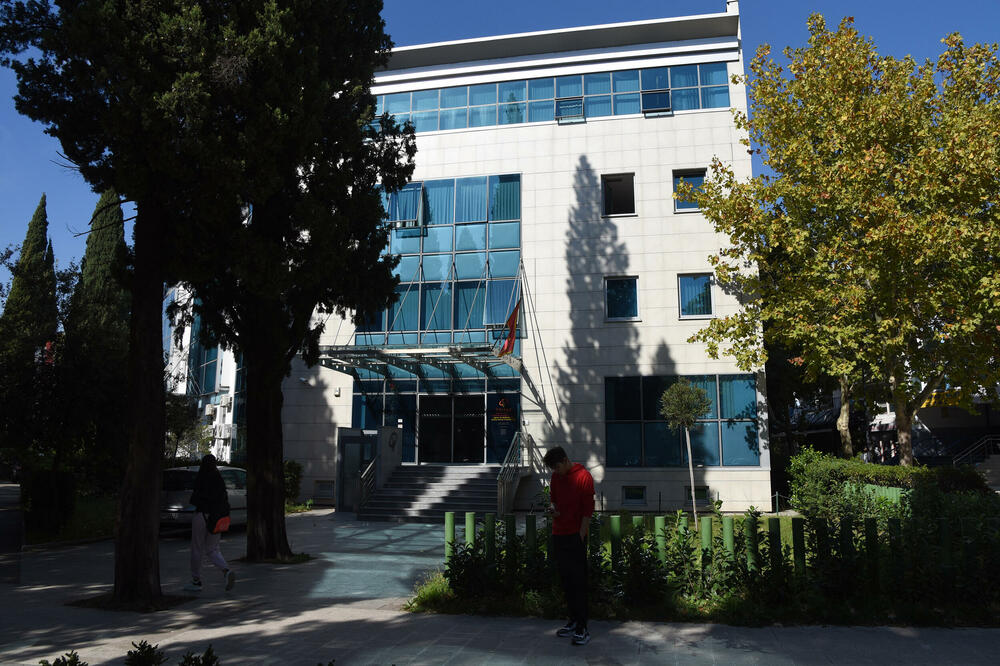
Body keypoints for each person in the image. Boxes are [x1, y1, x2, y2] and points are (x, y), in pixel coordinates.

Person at [543, 446, 594, 646]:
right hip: (559, 534)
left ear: (565, 460)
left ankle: (582, 627)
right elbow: (553, 500)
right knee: (566, 580)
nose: (556, 472)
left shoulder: (583, 477)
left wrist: (581, 535)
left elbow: (588, 511)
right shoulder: (556, 478)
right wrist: (552, 509)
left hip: (575, 535)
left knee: (578, 581)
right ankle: (573, 621)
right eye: (553, 469)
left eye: (557, 467)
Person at [184, 454, 236, 592]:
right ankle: (226, 570)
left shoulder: (201, 477)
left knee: (197, 548)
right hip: (216, 518)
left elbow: (195, 499)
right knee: (213, 549)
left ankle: (196, 580)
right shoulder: (219, 479)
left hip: (201, 515)